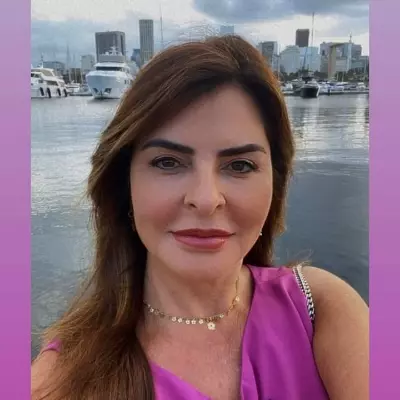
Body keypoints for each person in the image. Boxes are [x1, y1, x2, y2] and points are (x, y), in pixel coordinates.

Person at [31, 35, 369, 400]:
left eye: (240, 165)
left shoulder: (320, 309)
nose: (206, 200)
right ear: (124, 184)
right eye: (168, 162)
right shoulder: (61, 381)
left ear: (275, 183)